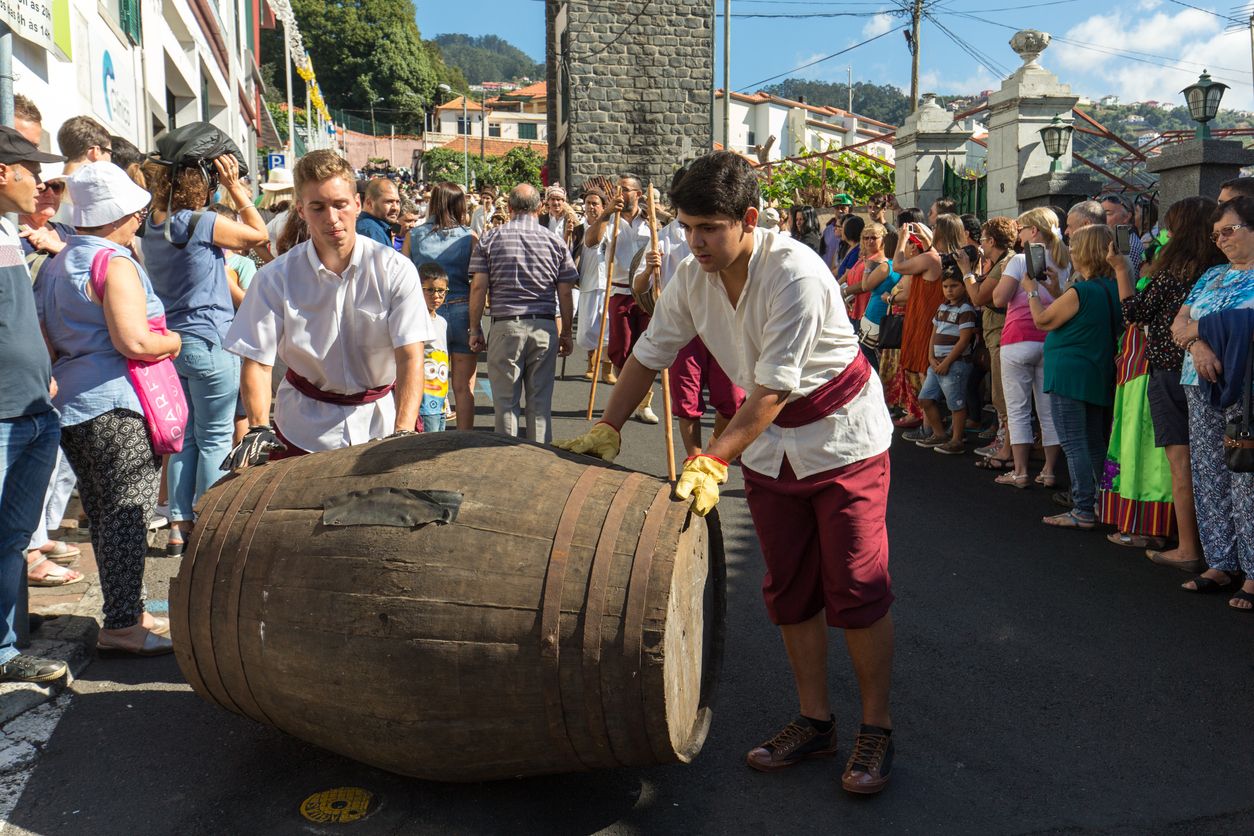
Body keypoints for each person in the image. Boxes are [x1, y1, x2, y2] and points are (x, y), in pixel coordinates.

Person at [556, 151, 896, 795]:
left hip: (842, 440)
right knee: (789, 587)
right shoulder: (689, 275)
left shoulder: (795, 270)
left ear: (748, 218)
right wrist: (609, 424)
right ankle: (815, 720)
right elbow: (649, 353)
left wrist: (712, 457)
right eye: (687, 227)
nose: (695, 241)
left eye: (709, 227)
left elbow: (771, 391)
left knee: (856, 586)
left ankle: (876, 727)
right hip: (769, 448)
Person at [38, 160, 179, 656]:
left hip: (74, 404)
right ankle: (122, 624)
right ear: (122, 215)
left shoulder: (57, 263)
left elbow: (47, 342)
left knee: (104, 514)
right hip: (117, 404)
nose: (139, 219)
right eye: (136, 213)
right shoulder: (113, 263)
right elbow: (134, 340)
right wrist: (173, 342)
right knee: (127, 515)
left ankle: (129, 610)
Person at [222, 150, 430, 467]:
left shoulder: (395, 270)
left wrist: (402, 431)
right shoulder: (274, 278)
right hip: (300, 428)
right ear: (301, 211)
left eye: (340, 205)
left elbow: (410, 355)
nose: (331, 218)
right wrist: (258, 426)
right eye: (318, 207)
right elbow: (257, 361)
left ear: (358, 205)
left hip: (379, 425)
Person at [140, 147, 269, 555]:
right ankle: (210, 523)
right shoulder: (201, 222)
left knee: (186, 439)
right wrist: (236, 189)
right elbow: (259, 233)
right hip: (211, 339)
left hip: (174, 344)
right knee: (214, 438)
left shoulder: (151, 226)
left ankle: (179, 526)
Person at [0, 127, 73, 682]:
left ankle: (6, 648)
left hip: (32, 413)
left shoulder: (10, 232)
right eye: (34, 173)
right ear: (5, 174)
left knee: (12, 540)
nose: (43, 187)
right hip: (5, 417)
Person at [1117, 198, 1223, 571]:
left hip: (1169, 371)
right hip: (1214, 372)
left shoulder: (1174, 271)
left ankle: (1189, 548)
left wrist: (1122, 270)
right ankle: (1220, 551)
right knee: (1216, 464)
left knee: (1181, 462)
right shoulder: (1219, 270)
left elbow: (1134, 313)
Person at [1169, 197, 1254, 608]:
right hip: (1197, 380)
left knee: (1247, 478)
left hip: (1245, 389)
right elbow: (1177, 325)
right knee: (1209, 474)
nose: (1220, 240)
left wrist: (1198, 331)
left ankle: (1253, 574)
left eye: (1229, 230)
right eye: (1215, 233)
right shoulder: (1212, 274)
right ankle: (1220, 562)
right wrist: (1200, 345)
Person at [634, 165, 746, 456]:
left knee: (732, 399)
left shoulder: (726, 232)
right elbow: (638, 288)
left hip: (723, 324)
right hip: (685, 330)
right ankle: (694, 457)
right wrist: (649, 269)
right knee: (687, 398)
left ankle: (713, 449)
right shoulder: (664, 238)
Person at [1022, 225, 1121, 528]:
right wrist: (1054, 291)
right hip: (1096, 370)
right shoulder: (1114, 286)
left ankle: (1082, 509)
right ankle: (1102, 502)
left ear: (1088, 251)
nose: (1072, 253)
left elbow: (1042, 320)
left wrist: (1031, 291)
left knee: (1074, 443)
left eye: (1076, 247)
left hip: (1069, 373)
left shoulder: (1083, 290)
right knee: (1093, 441)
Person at [467, 184, 576, 444]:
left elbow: (479, 286)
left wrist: (475, 328)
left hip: (506, 326)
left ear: (511, 208)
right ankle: (540, 460)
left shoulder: (491, 238)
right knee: (540, 406)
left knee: (505, 404)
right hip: (544, 326)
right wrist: (567, 333)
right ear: (539, 208)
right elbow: (565, 293)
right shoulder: (555, 241)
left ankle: (507, 461)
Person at [990, 207, 1070, 489]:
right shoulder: (1066, 260)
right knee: (1048, 410)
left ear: (1033, 231)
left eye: (1021, 228)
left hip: (1017, 338)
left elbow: (999, 299)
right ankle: (1049, 470)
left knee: (1018, 409)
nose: (1018, 235)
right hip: (1051, 340)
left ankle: (1021, 471)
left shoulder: (1019, 261)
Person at [404, 182, 478, 431]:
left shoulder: (414, 235)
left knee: (426, 382)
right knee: (464, 386)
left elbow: (403, 276)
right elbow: (478, 279)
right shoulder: (469, 237)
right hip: (461, 309)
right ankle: (464, 439)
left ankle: (427, 436)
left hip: (426, 312)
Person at [893, 215, 963, 436]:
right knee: (927, 373)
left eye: (934, 227)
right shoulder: (946, 256)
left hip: (926, 319)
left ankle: (930, 428)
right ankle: (930, 427)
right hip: (932, 317)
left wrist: (902, 240)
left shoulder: (931, 258)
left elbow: (897, 265)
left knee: (926, 373)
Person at [958, 217, 1016, 470]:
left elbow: (979, 297)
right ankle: (1006, 443)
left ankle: (1006, 447)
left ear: (991, 240)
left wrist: (966, 271)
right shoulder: (1001, 262)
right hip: (997, 333)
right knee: (999, 394)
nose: (980, 244)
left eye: (982, 239)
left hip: (1002, 334)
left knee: (1003, 396)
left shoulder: (1006, 263)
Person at [604, 174, 658, 423]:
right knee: (622, 348)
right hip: (619, 290)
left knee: (647, 348)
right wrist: (605, 214)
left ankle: (645, 402)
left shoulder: (651, 221)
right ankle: (624, 399)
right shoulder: (610, 220)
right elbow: (592, 241)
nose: (619, 193)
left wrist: (658, 215)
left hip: (646, 293)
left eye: (624, 189)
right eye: (617, 189)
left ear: (638, 194)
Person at [915, 266, 977, 455]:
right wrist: (930, 357)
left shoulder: (966, 309)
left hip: (955, 364)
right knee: (925, 398)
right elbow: (933, 335)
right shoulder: (942, 307)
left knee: (956, 404)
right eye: (945, 286)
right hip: (937, 364)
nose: (949, 290)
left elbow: (964, 339)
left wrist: (947, 362)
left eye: (954, 286)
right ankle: (939, 434)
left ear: (964, 287)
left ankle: (957, 439)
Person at [844, 223, 901, 368]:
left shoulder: (880, 261)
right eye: (865, 238)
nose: (869, 241)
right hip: (862, 312)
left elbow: (865, 286)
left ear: (883, 239)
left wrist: (845, 291)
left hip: (875, 317)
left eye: (874, 238)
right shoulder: (867, 257)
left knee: (870, 358)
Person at [576, 188, 613, 382]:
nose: (591, 207)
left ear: (603, 206)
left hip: (608, 283)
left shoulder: (613, 227)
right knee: (587, 330)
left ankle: (607, 368)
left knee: (608, 327)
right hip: (587, 282)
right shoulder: (578, 228)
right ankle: (591, 360)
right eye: (588, 203)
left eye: (595, 203)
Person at [418, 263, 451, 433]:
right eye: (429, 290)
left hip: (440, 400)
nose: (436, 296)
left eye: (441, 291)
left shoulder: (442, 322)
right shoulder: (416, 321)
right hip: (423, 401)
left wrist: (446, 402)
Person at [1100, 194, 1144, 274]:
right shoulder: (1119, 239)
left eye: (1107, 213)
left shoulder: (1128, 247)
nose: (1101, 218)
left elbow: (1126, 283)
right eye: (1101, 214)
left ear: (1127, 217)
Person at [538, 184, 583, 263]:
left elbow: (577, 245)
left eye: (558, 199)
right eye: (553, 199)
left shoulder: (572, 221)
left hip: (566, 262)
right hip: (547, 261)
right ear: (548, 201)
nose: (556, 202)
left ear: (563, 202)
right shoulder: (541, 220)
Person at [357, 178, 401, 246]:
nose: (395, 208)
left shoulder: (377, 228)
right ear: (369, 203)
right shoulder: (372, 231)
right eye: (388, 202)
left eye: (397, 202)